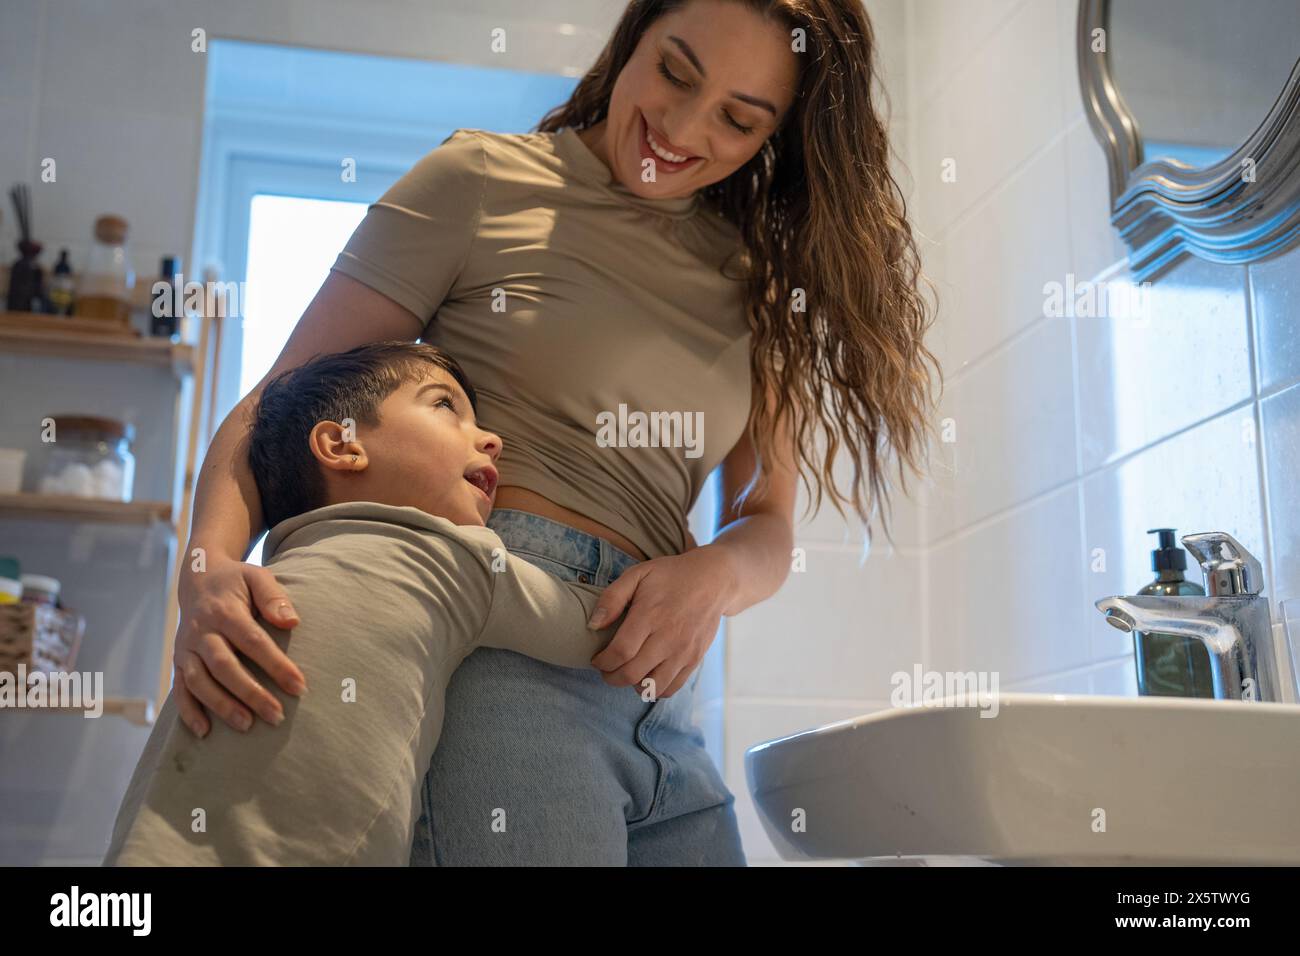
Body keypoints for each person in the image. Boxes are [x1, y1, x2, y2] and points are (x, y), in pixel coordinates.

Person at [168, 0, 940, 866]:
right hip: (501, 647)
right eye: (674, 72)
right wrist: (205, 571)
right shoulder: (480, 181)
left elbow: (767, 524)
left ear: (777, 136)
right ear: (632, 41)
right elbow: (280, 402)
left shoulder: (759, 283)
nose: (682, 126)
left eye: (736, 117)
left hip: (666, 701)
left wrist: (711, 577)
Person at [104, 342, 629, 865]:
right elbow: (599, 630)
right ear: (342, 444)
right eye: (446, 407)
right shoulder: (459, 556)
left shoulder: (277, 567)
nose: (491, 440)